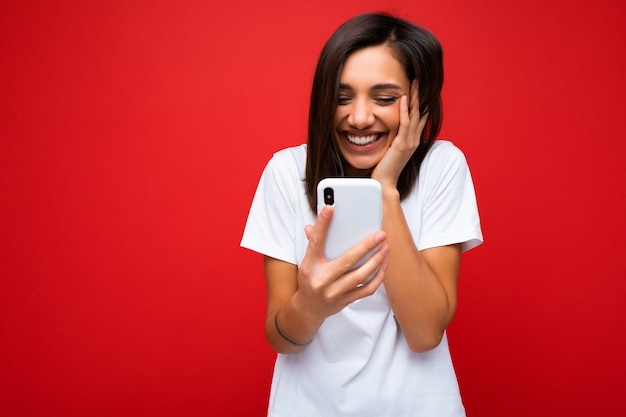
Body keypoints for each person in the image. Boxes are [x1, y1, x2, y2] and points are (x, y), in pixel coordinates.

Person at [241, 12, 482, 417]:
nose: (358, 118)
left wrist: (384, 186)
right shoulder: (286, 172)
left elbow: (424, 333)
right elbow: (281, 337)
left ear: (419, 100)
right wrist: (312, 306)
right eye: (342, 97)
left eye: (385, 98)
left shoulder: (443, 166)